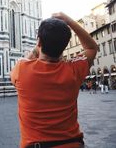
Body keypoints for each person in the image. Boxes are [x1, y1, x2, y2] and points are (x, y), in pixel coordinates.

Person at [10, 12, 97, 148]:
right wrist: (69, 21)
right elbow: (91, 47)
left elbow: (28, 59)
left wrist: (37, 47)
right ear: (65, 45)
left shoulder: (21, 70)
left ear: (39, 41)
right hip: (72, 144)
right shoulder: (74, 70)